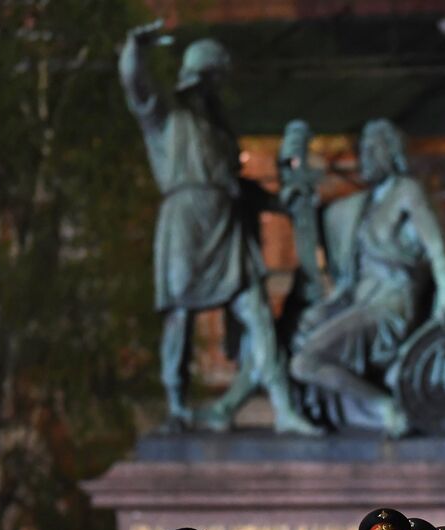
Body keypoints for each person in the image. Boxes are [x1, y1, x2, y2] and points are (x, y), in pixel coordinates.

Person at [118, 21, 319, 436]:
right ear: (202, 77)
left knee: (259, 314)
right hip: (186, 228)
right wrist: (135, 49)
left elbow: (238, 188)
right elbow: (135, 87)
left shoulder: (222, 133)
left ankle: (283, 410)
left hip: (227, 229)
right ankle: (176, 405)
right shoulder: (166, 118)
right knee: (179, 316)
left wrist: (281, 204)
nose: (219, 88)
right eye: (216, 79)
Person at [289, 120, 445, 436]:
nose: (365, 158)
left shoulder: (408, 192)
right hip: (360, 302)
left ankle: (385, 407)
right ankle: (371, 413)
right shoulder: (365, 205)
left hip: (390, 307)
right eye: (362, 151)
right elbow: (351, 275)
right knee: (301, 335)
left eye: (373, 150)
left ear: (392, 153)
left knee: (305, 362)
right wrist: (326, 307)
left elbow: (438, 248)